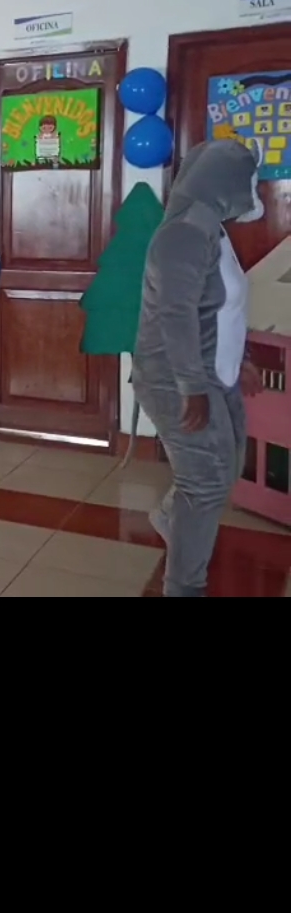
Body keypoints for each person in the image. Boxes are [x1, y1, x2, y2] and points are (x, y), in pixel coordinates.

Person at [132, 139, 265, 598]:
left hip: (212, 371)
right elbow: (177, 315)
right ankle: (184, 587)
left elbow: (221, 307)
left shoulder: (212, 230)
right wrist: (191, 386)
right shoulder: (184, 235)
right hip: (176, 378)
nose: (253, 191)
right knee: (205, 484)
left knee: (228, 466)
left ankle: (173, 517)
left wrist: (241, 360)